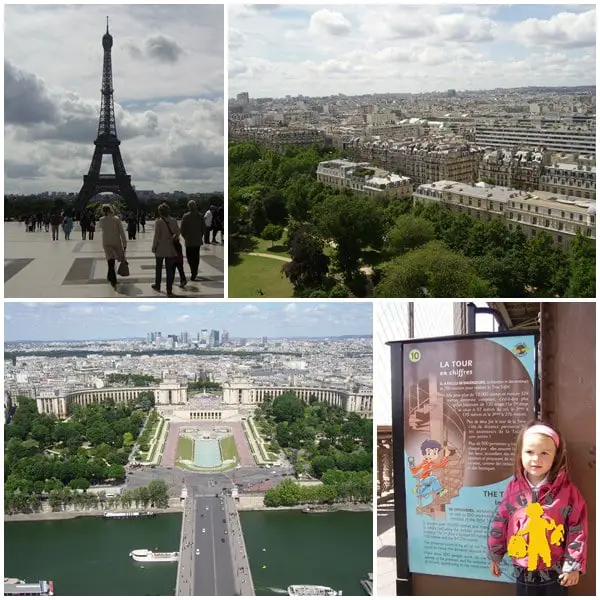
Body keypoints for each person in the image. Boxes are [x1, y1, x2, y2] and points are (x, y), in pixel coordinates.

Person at [488, 420, 587, 595]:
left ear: (555, 456)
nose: (536, 458)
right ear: (520, 454)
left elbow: (577, 530)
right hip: (521, 566)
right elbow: (500, 522)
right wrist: (496, 554)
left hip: (556, 569)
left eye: (544, 453)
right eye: (529, 452)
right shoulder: (513, 488)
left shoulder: (568, 492)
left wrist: (572, 564)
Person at [152, 203, 183, 297]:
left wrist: (154, 247)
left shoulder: (159, 222)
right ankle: (169, 289)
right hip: (170, 248)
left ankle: (158, 285)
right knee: (170, 270)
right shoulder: (173, 220)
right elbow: (178, 233)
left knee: (158, 268)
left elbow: (156, 236)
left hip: (161, 247)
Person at [99, 204, 127, 289]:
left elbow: (101, 227)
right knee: (113, 261)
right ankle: (112, 279)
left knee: (110, 261)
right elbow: (121, 232)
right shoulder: (116, 219)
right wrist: (125, 243)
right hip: (116, 242)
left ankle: (111, 277)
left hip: (106, 242)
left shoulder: (101, 220)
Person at [180, 200, 205, 281]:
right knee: (196, 256)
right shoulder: (200, 216)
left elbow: (182, 229)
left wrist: (185, 237)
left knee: (189, 257)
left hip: (189, 240)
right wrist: (200, 235)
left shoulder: (185, 216)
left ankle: (192, 271)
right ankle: (195, 270)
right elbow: (203, 228)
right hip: (197, 239)